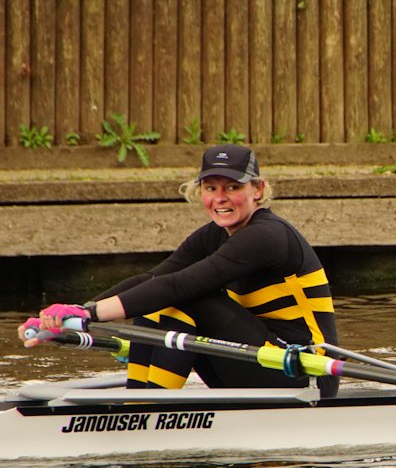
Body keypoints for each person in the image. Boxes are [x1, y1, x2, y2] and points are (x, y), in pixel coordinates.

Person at [18, 144, 340, 396]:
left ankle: (151, 413)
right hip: (253, 361)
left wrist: (91, 316)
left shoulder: (267, 235)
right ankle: (139, 402)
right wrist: (74, 312)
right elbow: (153, 279)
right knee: (151, 298)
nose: (220, 198)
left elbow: (180, 286)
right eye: (211, 188)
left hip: (301, 371)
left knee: (184, 296)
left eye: (232, 187)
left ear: (257, 190)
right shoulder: (213, 235)